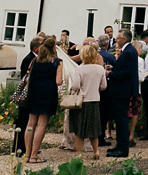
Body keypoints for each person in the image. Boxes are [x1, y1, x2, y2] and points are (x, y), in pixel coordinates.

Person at [24, 36, 63, 164]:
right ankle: (35, 155)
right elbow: (58, 82)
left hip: (34, 92)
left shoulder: (34, 60)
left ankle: (27, 155)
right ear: (53, 48)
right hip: (48, 93)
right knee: (42, 124)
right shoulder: (57, 62)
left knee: (30, 124)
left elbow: (29, 74)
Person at [68, 43, 108, 160]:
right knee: (93, 128)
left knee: (78, 128)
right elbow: (104, 86)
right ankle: (96, 151)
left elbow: (75, 86)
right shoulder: (100, 69)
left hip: (81, 101)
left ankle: (79, 153)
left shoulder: (79, 69)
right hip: (94, 100)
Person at [105, 30, 139, 158]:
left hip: (122, 90)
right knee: (120, 119)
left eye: (118, 38)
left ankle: (123, 147)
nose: (116, 40)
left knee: (122, 119)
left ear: (124, 39)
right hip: (121, 90)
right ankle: (120, 145)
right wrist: (114, 68)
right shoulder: (128, 51)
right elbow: (124, 68)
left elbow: (126, 73)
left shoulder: (129, 52)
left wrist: (110, 74)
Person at [11, 36, 42, 156]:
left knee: (29, 122)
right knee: (23, 122)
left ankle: (27, 147)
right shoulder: (29, 59)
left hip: (31, 96)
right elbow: (25, 78)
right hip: (26, 95)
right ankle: (19, 147)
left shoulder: (35, 59)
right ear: (35, 48)